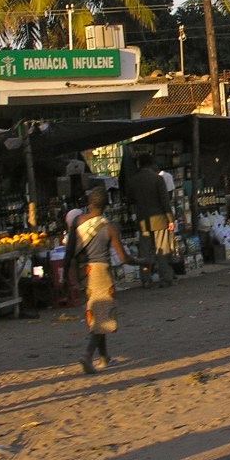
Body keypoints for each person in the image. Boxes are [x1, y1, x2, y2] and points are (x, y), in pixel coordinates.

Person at [65, 187, 129, 375]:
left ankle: (104, 357)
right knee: (102, 317)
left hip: (85, 273)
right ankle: (87, 355)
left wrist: (64, 277)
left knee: (98, 313)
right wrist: (142, 262)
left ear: (89, 203)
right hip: (102, 274)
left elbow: (69, 252)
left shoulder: (77, 222)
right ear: (107, 205)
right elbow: (123, 258)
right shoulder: (109, 227)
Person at [126, 153, 176, 288]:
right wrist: (170, 219)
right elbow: (165, 201)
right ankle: (165, 279)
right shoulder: (158, 179)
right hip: (159, 219)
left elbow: (130, 200)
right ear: (152, 164)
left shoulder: (133, 180)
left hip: (143, 221)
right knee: (162, 251)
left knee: (145, 252)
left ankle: (146, 279)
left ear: (139, 165)